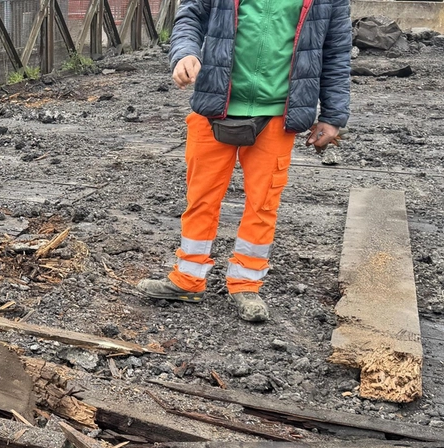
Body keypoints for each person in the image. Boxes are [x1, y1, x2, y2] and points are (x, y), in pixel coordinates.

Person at [138, 0, 351, 322]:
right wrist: (185, 53)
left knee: (263, 203)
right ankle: (187, 279)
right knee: (201, 197)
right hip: (215, 106)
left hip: (278, 114)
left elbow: (336, 53)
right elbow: (190, 16)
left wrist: (333, 116)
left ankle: (246, 283)